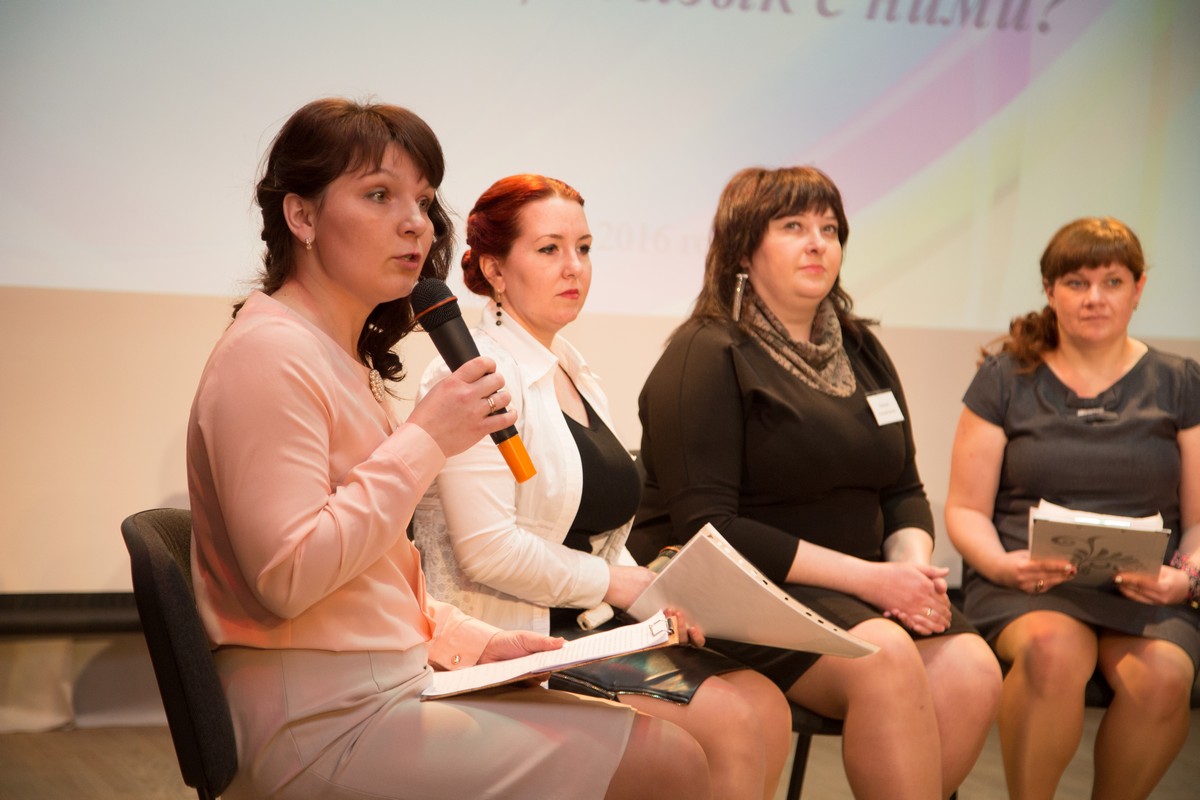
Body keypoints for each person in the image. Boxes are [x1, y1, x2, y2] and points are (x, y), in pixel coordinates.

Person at [185, 98, 713, 800]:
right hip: (318, 720)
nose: (416, 223)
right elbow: (288, 577)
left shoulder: (336, 358)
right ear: (301, 217)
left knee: (675, 745)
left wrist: (479, 644)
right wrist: (426, 439)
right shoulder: (269, 353)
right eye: (379, 195)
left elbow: (374, 579)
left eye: (424, 200)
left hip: (388, 683)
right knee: (666, 760)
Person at [412, 174, 792, 800]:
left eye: (584, 248)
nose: (575, 267)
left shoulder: (574, 371)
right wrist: (620, 585)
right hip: (515, 638)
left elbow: (606, 543)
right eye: (549, 249)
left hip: (593, 623)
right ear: (494, 270)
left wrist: (657, 598)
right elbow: (487, 550)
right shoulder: (470, 369)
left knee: (767, 705)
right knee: (730, 722)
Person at [631, 165, 1002, 800]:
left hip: (859, 591)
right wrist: (874, 582)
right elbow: (711, 527)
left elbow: (903, 490)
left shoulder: (861, 349)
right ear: (743, 249)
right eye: (793, 227)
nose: (817, 244)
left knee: (972, 668)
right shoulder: (705, 352)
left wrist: (909, 573)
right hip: (739, 593)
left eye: (830, 230)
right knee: (884, 657)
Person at [944, 216, 1199, 800]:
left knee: (1164, 678)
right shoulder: (1004, 380)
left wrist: (1184, 580)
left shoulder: (1181, 382)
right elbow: (964, 509)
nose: (1094, 298)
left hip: (1148, 592)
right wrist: (1003, 565)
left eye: (1112, 282)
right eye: (1077, 283)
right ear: (1050, 289)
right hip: (1027, 585)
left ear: (1138, 289)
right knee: (1052, 654)